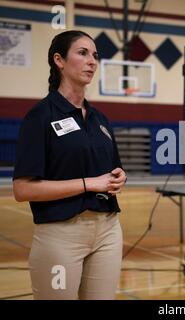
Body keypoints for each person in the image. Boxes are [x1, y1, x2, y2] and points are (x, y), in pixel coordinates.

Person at [13, 30, 127, 300]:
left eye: (95, 56)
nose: (92, 61)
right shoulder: (40, 116)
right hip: (60, 235)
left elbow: (111, 171)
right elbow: (22, 189)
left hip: (108, 231)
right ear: (59, 60)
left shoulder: (100, 119)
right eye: (83, 53)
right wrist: (89, 183)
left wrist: (118, 177)